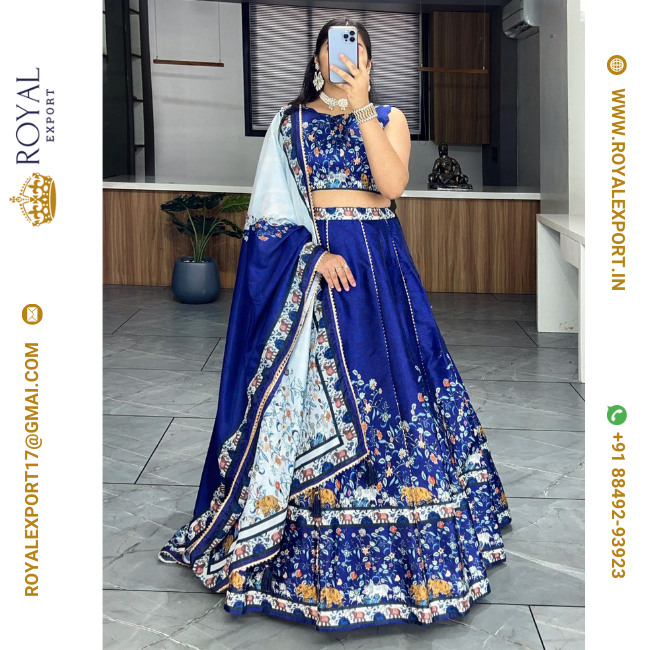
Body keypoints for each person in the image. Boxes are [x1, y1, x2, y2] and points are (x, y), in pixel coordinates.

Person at [158, 18, 511, 632]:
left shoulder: (389, 118)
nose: (343, 58)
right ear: (317, 59)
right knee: (311, 399)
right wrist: (312, 257)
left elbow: (392, 186)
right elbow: (269, 217)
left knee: (400, 386)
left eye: (356, 50)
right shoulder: (289, 124)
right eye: (332, 48)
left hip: (380, 272)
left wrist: (362, 106)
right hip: (320, 270)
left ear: (368, 62)